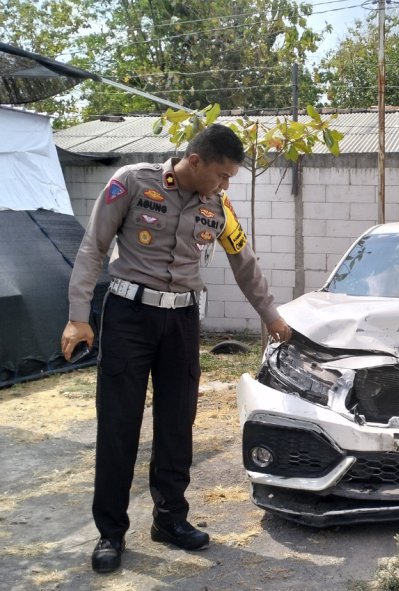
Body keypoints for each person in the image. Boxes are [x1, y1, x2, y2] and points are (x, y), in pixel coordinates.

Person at [60, 124, 291, 574]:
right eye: (222, 176)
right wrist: (77, 315)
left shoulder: (219, 207)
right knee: (119, 425)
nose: (226, 186)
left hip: (182, 321)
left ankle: (169, 520)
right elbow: (93, 247)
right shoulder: (131, 181)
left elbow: (245, 265)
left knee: (176, 425)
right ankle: (111, 532)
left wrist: (272, 317)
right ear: (196, 161)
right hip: (128, 313)